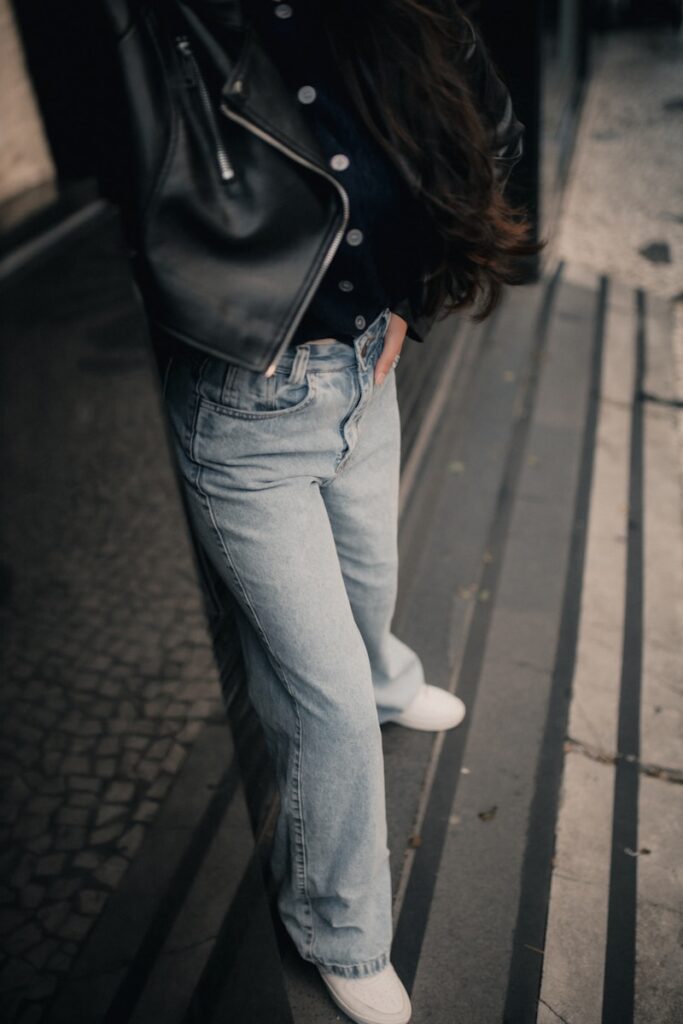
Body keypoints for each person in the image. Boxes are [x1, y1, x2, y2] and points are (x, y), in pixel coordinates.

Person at [101, 2, 533, 1020]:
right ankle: (337, 924)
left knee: (371, 580)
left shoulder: (398, 19)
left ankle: (388, 678)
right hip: (244, 415)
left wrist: (410, 301)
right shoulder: (174, 28)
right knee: (320, 698)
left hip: (365, 374)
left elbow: (488, 137)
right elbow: (136, 212)